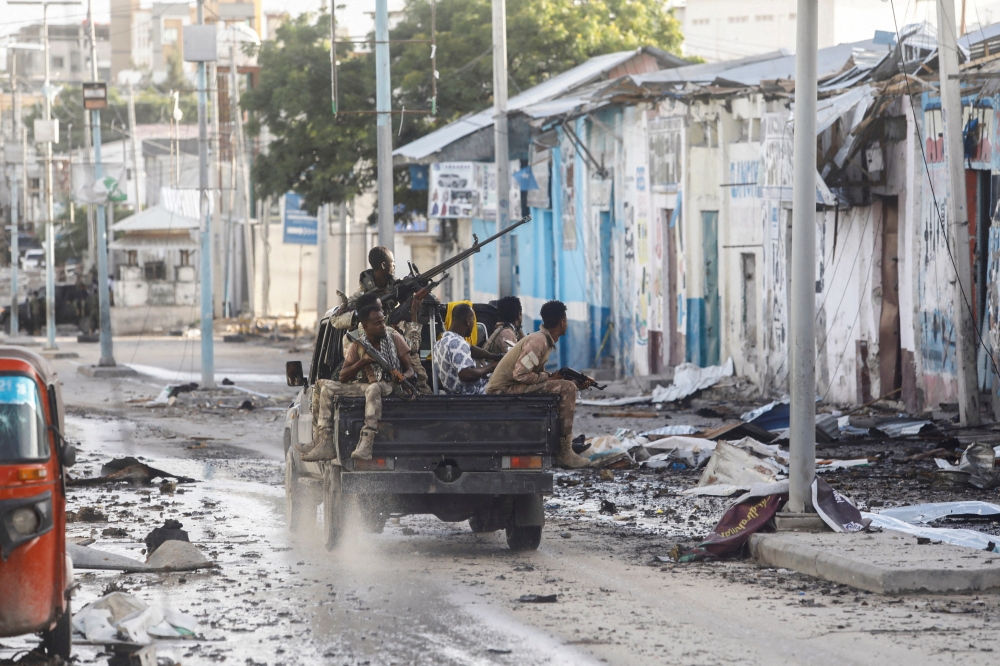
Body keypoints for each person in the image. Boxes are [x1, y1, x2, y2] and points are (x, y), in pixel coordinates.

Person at [485, 300, 593, 469]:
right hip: (502, 391)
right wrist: (553, 379)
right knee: (567, 388)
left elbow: (535, 377)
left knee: (568, 386)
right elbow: (520, 374)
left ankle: (559, 445)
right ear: (562, 322)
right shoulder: (538, 341)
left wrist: (568, 381)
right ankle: (564, 452)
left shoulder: (544, 340)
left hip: (511, 387)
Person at [307, 302, 416, 462]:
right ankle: (325, 441)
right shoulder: (357, 344)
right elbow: (343, 376)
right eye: (377, 323)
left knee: (373, 389)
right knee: (327, 388)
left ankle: (367, 441)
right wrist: (363, 362)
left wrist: (402, 377)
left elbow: (410, 369)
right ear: (365, 326)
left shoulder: (394, 338)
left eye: (382, 321)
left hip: (390, 385)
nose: (382, 326)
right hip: (369, 385)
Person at [332, 246, 431, 394]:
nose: (395, 267)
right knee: (415, 361)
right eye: (393, 263)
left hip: (386, 377)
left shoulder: (397, 287)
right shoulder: (356, 340)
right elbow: (336, 320)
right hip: (375, 386)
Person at [433, 303, 497, 394]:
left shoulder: (441, 343)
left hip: (456, 394)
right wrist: (491, 367)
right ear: (468, 320)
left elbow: (471, 349)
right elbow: (466, 374)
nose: (473, 324)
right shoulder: (458, 343)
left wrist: (494, 356)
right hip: (476, 394)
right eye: (473, 320)